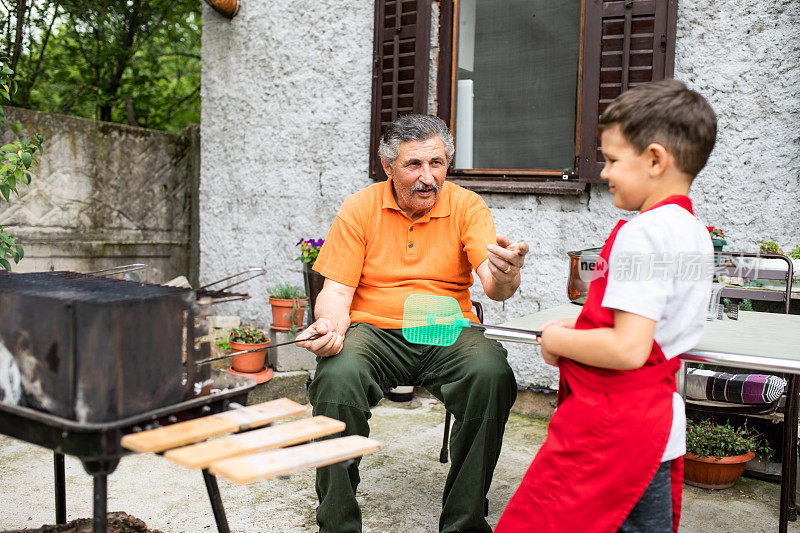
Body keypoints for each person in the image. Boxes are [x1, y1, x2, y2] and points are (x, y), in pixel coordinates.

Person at [494, 79, 717, 533]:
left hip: (614, 426)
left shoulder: (645, 233)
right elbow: (650, 323)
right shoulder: (693, 230)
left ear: (655, 159)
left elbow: (628, 348)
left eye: (614, 160)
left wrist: (558, 339)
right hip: (658, 427)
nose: (606, 173)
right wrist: (581, 328)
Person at [296, 114, 529, 533]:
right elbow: (335, 292)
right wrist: (330, 327)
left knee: (491, 374)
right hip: (373, 331)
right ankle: (338, 525)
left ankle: (463, 523)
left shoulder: (467, 205)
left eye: (437, 164)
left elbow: (493, 286)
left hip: (446, 329)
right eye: (414, 165)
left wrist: (508, 273)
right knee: (336, 379)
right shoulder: (359, 207)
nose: (428, 178)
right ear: (388, 167)